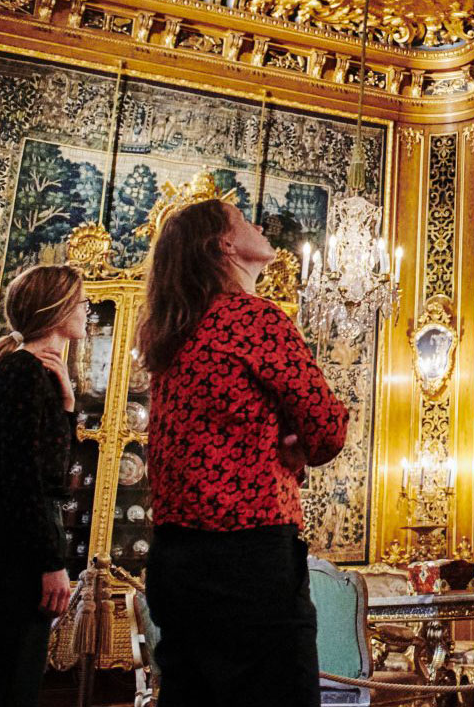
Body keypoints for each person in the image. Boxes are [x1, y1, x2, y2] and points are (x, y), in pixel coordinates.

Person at [140, 200, 348, 707]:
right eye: (244, 219)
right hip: (249, 556)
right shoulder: (253, 319)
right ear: (225, 244)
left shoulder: (174, 333)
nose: (260, 225)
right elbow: (327, 427)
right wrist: (295, 443)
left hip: (176, 559)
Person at [0, 264, 82, 707]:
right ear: (57, 310)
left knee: (12, 686)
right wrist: (50, 562)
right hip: (13, 549)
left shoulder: (30, 373)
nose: (86, 311)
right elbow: (23, 478)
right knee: (8, 690)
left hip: (8, 540)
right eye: (81, 302)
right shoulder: (23, 373)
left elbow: (46, 465)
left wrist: (67, 403)